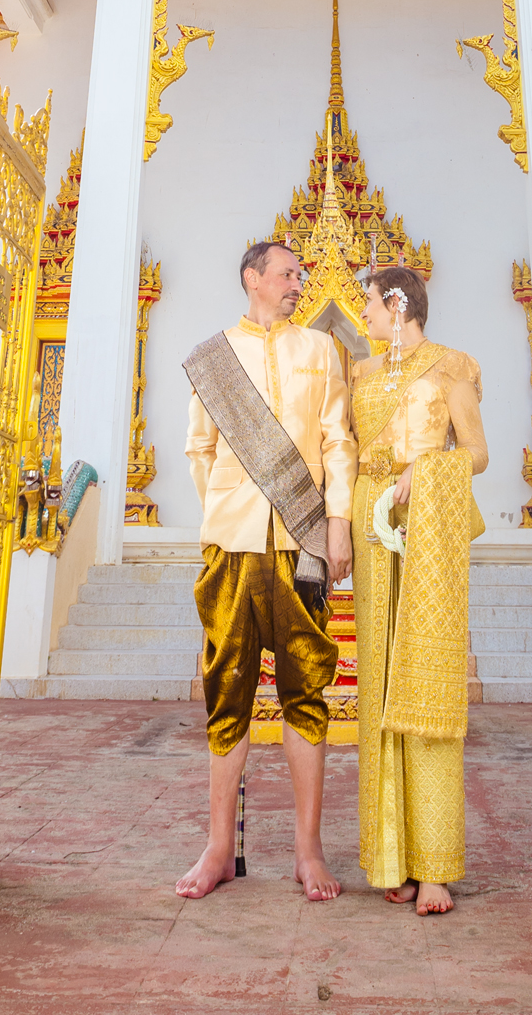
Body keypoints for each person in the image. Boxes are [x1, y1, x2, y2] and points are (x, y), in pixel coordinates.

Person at [178, 240, 356, 902]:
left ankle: (309, 852)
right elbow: (200, 450)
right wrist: (230, 511)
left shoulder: (319, 350)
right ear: (253, 277)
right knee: (226, 692)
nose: (297, 283)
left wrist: (335, 521)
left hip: (303, 545)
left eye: (301, 275)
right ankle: (219, 847)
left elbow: (337, 438)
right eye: (287, 273)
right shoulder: (212, 358)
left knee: (307, 691)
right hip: (231, 547)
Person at [351, 263, 488, 915]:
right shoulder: (363, 374)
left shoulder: (452, 368)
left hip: (426, 521)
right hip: (372, 527)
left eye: (372, 306)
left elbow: (478, 452)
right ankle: (390, 855)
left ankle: (434, 865)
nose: (366, 318)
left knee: (426, 678)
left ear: (398, 303)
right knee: (378, 682)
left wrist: (428, 468)